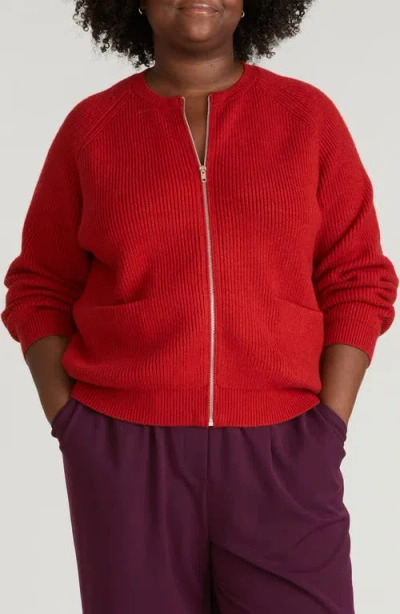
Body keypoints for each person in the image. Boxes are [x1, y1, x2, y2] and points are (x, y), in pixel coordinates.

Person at [2, 1, 398, 612]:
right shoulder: (92, 129)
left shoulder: (307, 119)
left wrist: (328, 426)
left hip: (284, 448)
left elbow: (357, 277)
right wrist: (76, 427)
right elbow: (39, 286)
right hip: (127, 453)